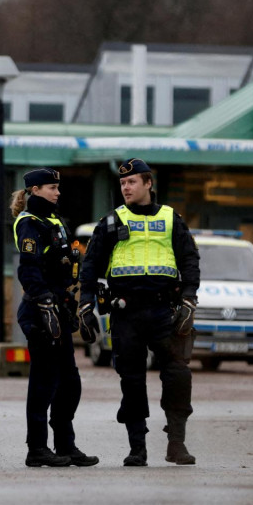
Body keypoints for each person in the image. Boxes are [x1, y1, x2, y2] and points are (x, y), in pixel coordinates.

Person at [78, 158, 201, 467]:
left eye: (132, 182)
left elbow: (189, 261)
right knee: (131, 380)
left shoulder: (173, 219)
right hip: (126, 312)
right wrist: (86, 304)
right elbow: (90, 265)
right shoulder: (111, 221)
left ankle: (176, 443)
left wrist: (189, 299)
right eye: (122, 183)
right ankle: (138, 448)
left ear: (148, 184)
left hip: (164, 312)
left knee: (178, 374)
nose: (126, 188)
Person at [11, 167, 99, 468]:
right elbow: (29, 269)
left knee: (69, 384)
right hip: (39, 312)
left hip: (58, 309)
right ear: (34, 190)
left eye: (57, 187)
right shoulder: (29, 223)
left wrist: (69, 308)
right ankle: (37, 448)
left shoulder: (55, 222)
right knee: (44, 383)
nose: (57, 192)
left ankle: (65, 446)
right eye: (51, 187)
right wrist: (45, 304)